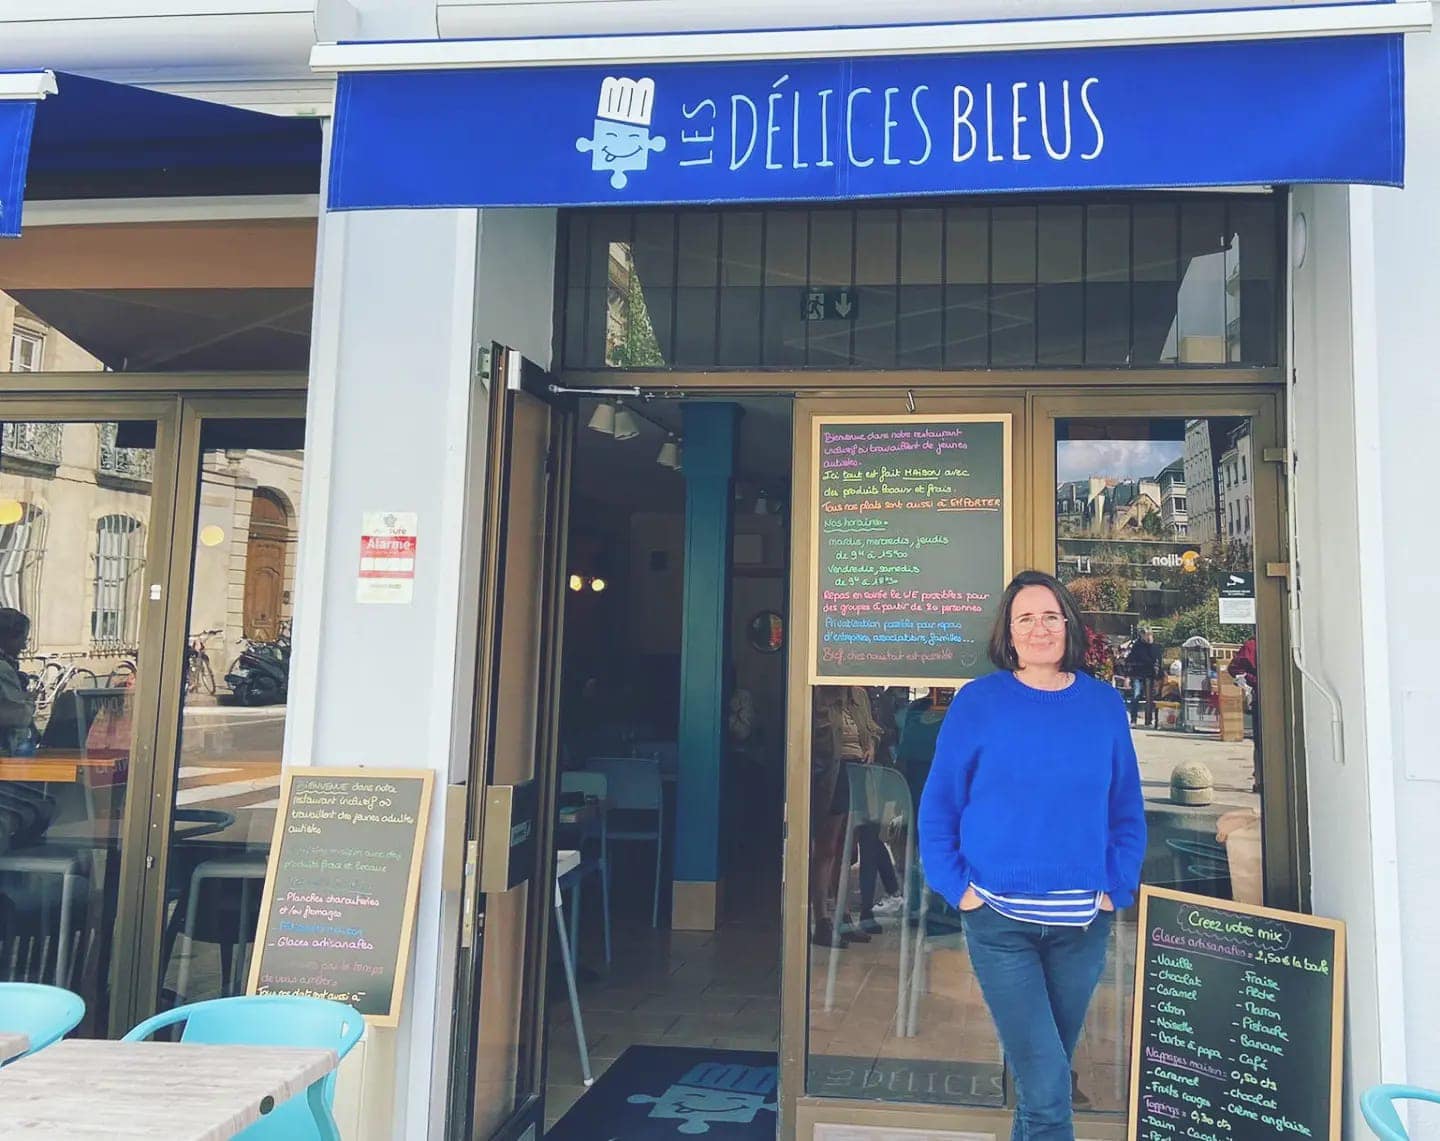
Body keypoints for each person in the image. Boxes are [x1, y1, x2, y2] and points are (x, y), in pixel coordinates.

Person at [919, 570, 1147, 1141]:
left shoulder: (1103, 705)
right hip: (999, 922)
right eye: (1026, 618)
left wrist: (1116, 885)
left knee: (1041, 1083)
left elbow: (1126, 806)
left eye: (1050, 616)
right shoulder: (978, 703)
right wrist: (958, 888)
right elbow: (940, 804)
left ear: (1069, 625)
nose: (1039, 628)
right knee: (1048, 1092)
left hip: (1081, 924)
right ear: (1009, 632)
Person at [810, 685, 876, 948]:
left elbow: (870, 730)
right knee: (826, 847)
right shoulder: (819, 695)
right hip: (832, 774)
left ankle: (843, 915)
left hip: (857, 772)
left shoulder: (858, 696)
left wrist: (870, 745)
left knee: (847, 851)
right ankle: (822, 919)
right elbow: (817, 739)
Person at [0, 607, 37, 757]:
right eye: (22, 639)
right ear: (8, 637)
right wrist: (30, 701)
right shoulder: (3, 668)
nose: (24, 646)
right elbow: (17, 716)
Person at [1227, 636, 1261, 793]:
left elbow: (1235, 668)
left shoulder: (1252, 644)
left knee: (1260, 743)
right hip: (1261, 698)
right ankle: (1259, 779)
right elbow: (1235, 668)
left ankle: (1260, 779)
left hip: (1261, 697)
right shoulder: (1253, 645)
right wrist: (1251, 679)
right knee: (1260, 742)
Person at [1125, 626, 1163, 727]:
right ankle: (1133, 720)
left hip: (1150, 675)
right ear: (1142, 635)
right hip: (1137, 674)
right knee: (1136, 696)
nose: (1148, 636)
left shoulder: (1155, 647)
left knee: (1149, 699)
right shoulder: (1137, 646)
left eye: (1150, 634)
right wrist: (1128, 676)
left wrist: (1159, 677)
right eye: (1146, 634)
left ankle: (1148, 720)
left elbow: (1158, 662)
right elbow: (1130, 660)